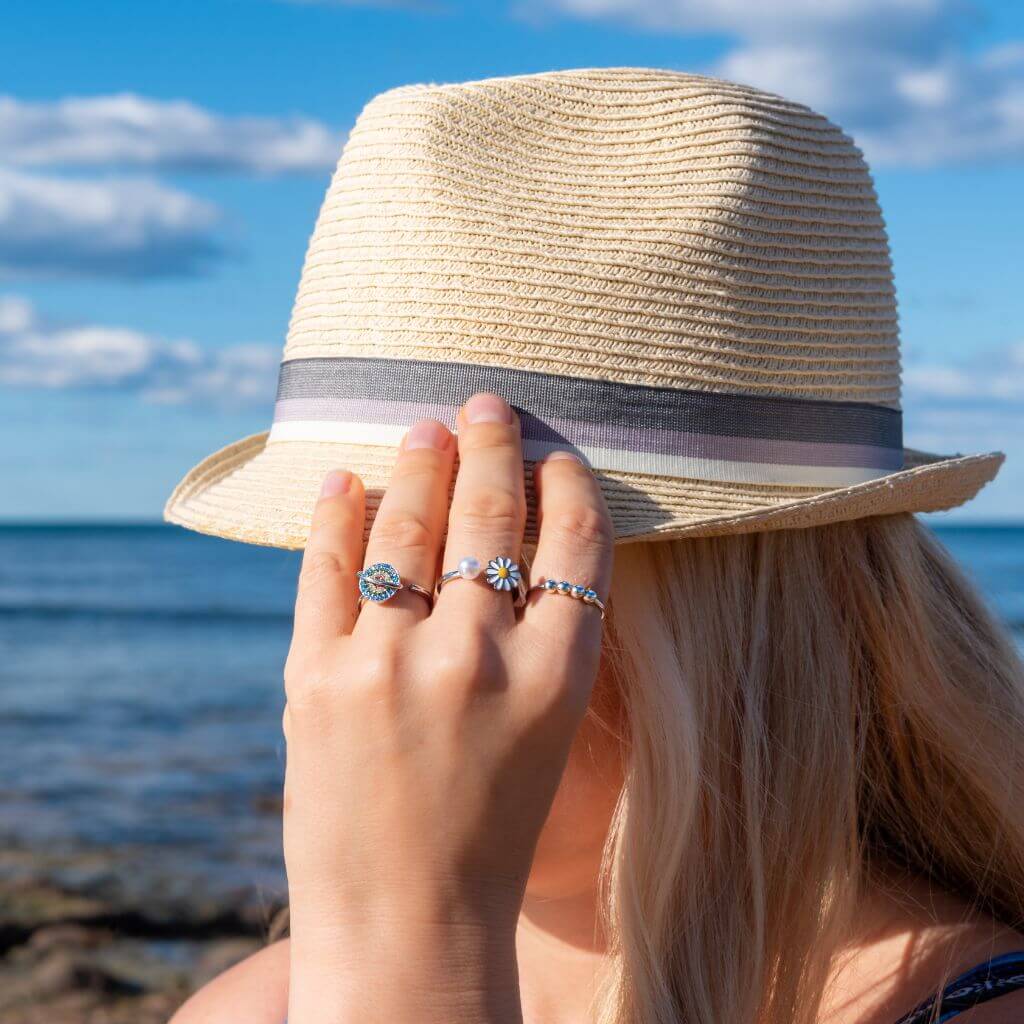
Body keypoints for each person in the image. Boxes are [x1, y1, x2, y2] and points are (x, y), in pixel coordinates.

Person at [165, 69, 1024, 1023]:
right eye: (368, 563)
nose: (372, 663)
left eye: (470, 571)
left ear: (735, 616)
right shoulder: (258, 1005)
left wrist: (418, 948)